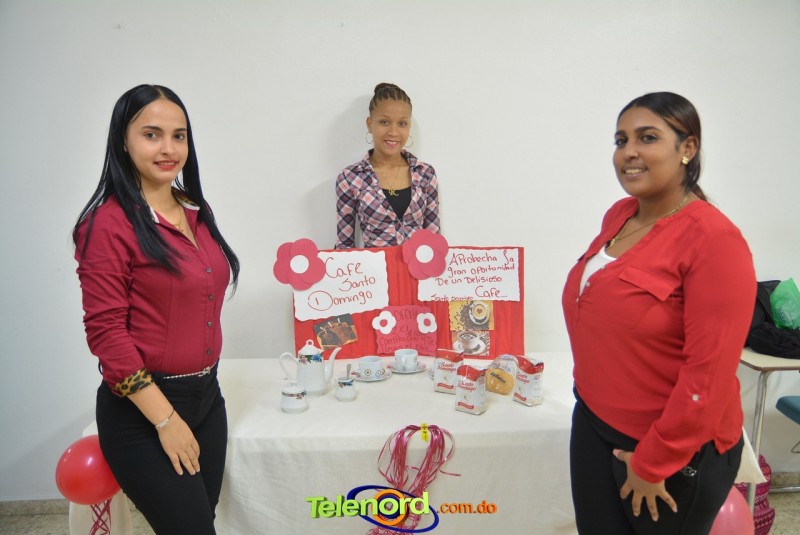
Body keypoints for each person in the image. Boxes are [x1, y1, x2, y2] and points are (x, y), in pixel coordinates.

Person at [562, 92, 756, 534]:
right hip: (593, 422)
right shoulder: (620, 215)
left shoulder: (714, 240)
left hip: (669, 448)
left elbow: (708, 374)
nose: (629, 152)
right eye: (621, 140)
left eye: (647, 138)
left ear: (687, 148)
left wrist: (654, 461)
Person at [73, 84, 240, 534]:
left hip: (208, 399)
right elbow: (107, 334)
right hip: (143, 411)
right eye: (152, 135)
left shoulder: (194, 208)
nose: (169, 148)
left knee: (200, 522)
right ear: (123, 141)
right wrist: (166, 420)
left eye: (178, 135)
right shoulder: (106, 224)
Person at [335, 83, 440, 249]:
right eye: (384, 122)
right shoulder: (350, 178)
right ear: (370, 124)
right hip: (374, 267)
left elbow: (434, 242)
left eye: (402, 123)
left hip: (418, 267)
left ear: (409, 126)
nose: (393, 132)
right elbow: (344, 246)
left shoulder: (426, 174)